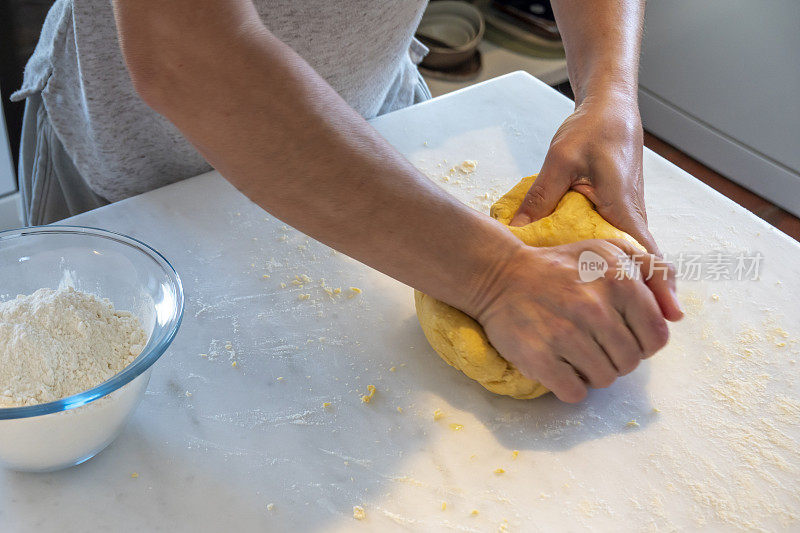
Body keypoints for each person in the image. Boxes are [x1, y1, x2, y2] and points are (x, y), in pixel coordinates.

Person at [13, 0, 683, 402]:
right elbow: (181, 49)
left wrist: (609, 89)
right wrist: (493, 275)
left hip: (378, 123)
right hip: (137, 171)